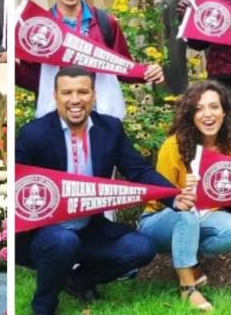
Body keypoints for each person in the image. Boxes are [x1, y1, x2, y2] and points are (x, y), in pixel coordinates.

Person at [16, 66, 181, 315]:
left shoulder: (110, 129)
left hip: (90, 228)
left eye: (82, 92)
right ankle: (44, 305)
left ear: (94, 95)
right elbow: (17, 183)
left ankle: (78, 280)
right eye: (67, 92)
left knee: (141, 248)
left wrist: (175, 197)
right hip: (45, 235)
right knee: (62, 241)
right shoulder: (34, 133)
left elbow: (138, 170)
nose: (75, 100)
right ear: (55, 96)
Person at [138, 80, 231, 311]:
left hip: (201, 218)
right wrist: (180, 194)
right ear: (190, 114)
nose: (207, 114)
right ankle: (188, 289)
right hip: (158, 221)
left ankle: (191, 260)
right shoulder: (173, 145)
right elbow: (157, 199)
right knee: (186, 212)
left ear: (224, 111)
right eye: (199, 109)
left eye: (214, 107)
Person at [15, 0, 164, 119]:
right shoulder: (40, 28)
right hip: (57, 116)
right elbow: (35, 81)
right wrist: (15, 67)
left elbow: (122, 68)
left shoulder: (105, 23)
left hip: (100, 113)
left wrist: (147, 72)